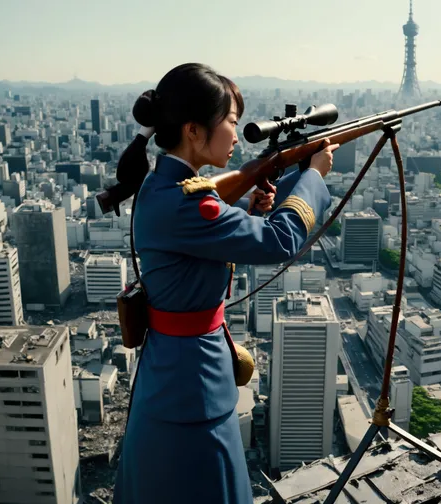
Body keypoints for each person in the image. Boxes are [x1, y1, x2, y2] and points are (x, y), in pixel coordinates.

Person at [113, 63, 337, 504]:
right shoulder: (189, 202)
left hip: (173, 367)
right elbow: (279, 239)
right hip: (193, 379)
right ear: (194, 130)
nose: (236, 135)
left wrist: (253, 207)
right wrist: (314, 176)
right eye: (231, 122)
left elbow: (202, 246)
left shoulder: (168, 187)